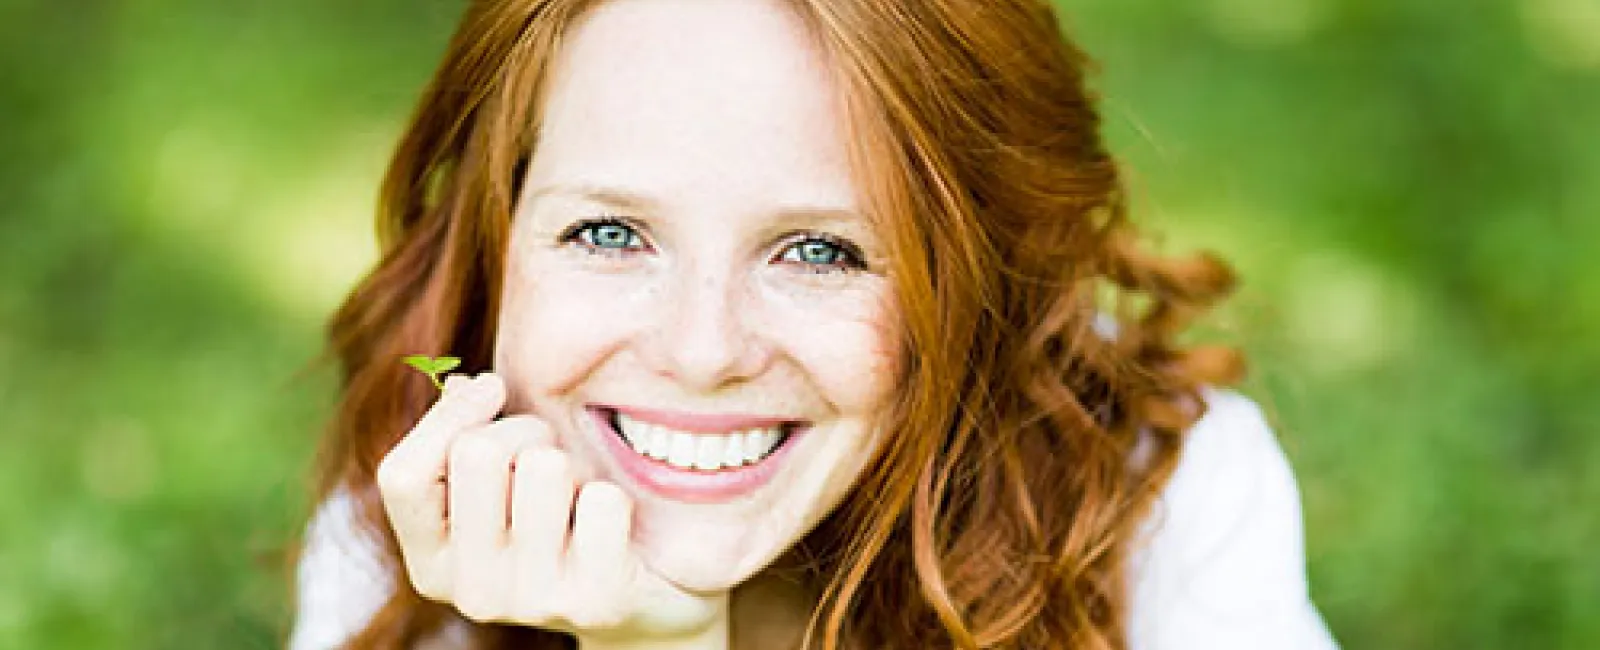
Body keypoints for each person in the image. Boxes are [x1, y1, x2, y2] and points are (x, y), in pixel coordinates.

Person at [288, 0, 1340, 648]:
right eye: (610, 232)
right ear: (496, 233)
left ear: (975, 277)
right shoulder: (420, 509)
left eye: (821, 250)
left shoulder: (1164, 499)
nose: (701, 353)